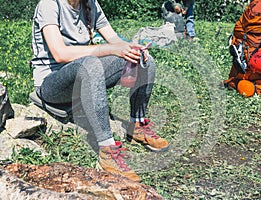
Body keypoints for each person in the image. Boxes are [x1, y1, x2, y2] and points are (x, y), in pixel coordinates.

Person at [31, 0, 170, 182]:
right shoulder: (49, 4)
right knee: (91, 63)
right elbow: (60, 54)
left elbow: (114, 40)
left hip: (83, 74)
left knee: (144, 61)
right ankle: (107, 149)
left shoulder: (90, 3)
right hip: (52, 85)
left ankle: (137, 123)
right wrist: (110, 49)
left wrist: (132, 49)